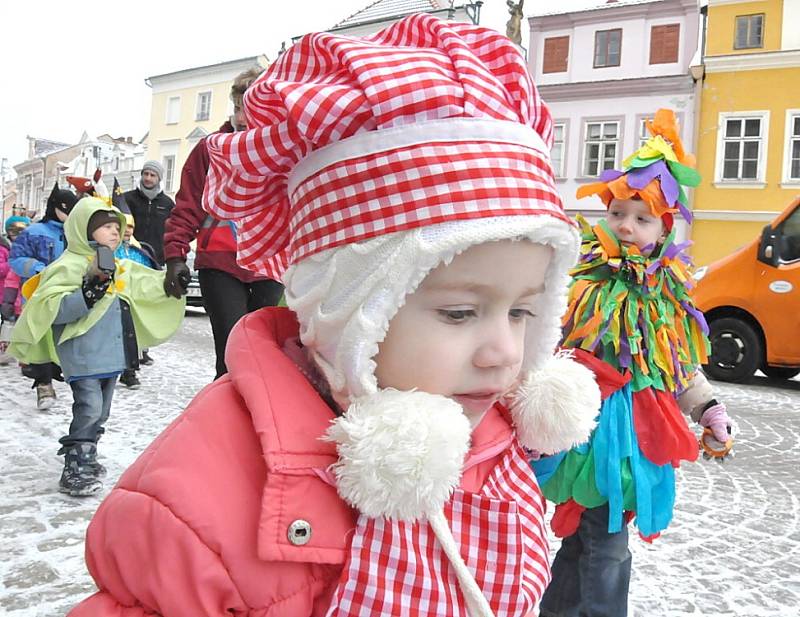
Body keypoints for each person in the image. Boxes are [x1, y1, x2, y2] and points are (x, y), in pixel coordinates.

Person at [67, 15, 604, 615]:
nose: (505, 352)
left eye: (524, 311)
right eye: (458, 312)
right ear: (346, 312)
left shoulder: (494, 444)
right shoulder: (203, 501)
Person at [534, 109, 734, 617]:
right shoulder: (580, 279)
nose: (626, 225)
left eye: (641, 218)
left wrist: (708, 408)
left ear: (664, 229)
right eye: (618, 212)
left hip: (635, 440)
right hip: (585, 430)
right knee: (589, 539)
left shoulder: (669, 293)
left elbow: (679, 363)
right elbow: (543, 339)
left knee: (600, 541)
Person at [8, 197, 185, 496]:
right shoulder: (67, 267)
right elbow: (52, 310)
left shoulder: (120, 266)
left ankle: (88, 452)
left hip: (112, 354)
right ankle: (76, 463)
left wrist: (170, 282)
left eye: (117, 227)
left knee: (101, 411)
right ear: (83, 229)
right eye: (106, 227)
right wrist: (87, 293)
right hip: (83, 354)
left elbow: (145, 285)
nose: (115, 232)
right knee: (89, 408)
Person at [162, 66, 284, 379]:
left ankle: (254, 423)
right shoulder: (211, 148)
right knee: (230, 355)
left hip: (268, 264)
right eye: (238, 108)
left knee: (262, 354)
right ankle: (227, 422)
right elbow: (188, 203)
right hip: (220, 260)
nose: (242, 118)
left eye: (251, 108)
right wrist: (175, 256)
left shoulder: (282, 149)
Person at [10, 183, 78, 408]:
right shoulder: (34, 232)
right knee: (40, 339)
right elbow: (16, 258)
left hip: (66, 296)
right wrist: (39, 270)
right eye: (65, 209)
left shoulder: (77, 233)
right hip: (38, 295)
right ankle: (43, 384)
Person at [114, 214, 159, 389]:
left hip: (134, 301)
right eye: (124, 226)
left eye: (131, 226)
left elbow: (149, 274)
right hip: (113, 298)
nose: (127, 230)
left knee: (131, 336)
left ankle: (129, 372)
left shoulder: (139, 251)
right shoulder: (109, 249)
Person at [123, 160, 175, 265]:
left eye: (152, 175)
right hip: (129, 254)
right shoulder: (127, 198)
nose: (148, 178)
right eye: (145, 174)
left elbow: (173, 230)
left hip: (156, 258)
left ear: (159, 178)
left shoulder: (167, 203)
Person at [0, 216, 31, 365]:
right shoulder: (7, 248)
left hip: (24, 295)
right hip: (10, 294)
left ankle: (24, 355)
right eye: (14, 232)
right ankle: (7, 350)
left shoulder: (29, 248)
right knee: (9, 323)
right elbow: (8, 276)